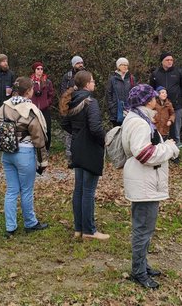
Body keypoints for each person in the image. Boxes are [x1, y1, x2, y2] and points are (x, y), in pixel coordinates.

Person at [121, 84, 180, 289]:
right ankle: (138, 271)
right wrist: (170, 148)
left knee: (145, 227)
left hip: (144, 180)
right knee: (143, 229)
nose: (156, 100)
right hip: (143, 181)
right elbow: (144, 154)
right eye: (154, 97)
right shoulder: (140, 123)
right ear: (148, 101)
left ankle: (142, 265)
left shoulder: (139, 119)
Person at [0, 77, 49, 237]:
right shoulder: (29, 109)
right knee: (26, 190)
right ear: (29, 91)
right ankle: (30, 223)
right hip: (24, 153)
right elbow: (38, 137)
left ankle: (10, 227)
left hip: (7, 154)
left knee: (11, 190)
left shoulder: (3, 107)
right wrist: (42, 160)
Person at [59, 70, 109, 240]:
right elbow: (95, 128)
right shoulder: (90, 101)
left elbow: (65, 122)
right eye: (93, 81)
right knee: (88, 191)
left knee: (79, 190)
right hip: (90, 149)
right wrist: (105, 141)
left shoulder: (72, 100)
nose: (94, 83)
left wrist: (77, 134)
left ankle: (78, 229)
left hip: (77, 148)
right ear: (87, 84)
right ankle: (89, 230)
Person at [148, 52, 182, 147]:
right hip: (159, 107)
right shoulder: (155, 74)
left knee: (175, 128)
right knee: (160, 127)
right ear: (162, 61)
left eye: (171, 60)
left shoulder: (178, 72)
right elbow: (151, 90)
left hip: (176, 105)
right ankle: (159, 147)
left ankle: (175, 148)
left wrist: (179, 97)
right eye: (167, 60)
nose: (170, 61)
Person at [60, 55, 86, 165]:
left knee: (83, 132)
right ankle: (70, 157)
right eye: (78, 63)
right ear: (73, 65)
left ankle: (83, 156)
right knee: (69, 134)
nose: (80, 65)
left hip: (83, 107)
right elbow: (63, 93)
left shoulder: (86, 75)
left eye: (81, 62)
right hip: (70, 108)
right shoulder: (68, 77)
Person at [29, 62, 55, 150]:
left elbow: (51, 95)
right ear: (34, 70)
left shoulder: (47, 82)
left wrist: (47, 103)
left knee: (47, 129)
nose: (40, 71)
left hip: (45, 109)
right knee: (34, 129)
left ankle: (46, 149)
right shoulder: (30, 81)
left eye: (41, 69)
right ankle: (35, 148)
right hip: (33, 109)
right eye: (38, 69)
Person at [106, 57, 135, 126]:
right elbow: (108, 94)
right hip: (116, 111)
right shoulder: (112, 79)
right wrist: (112, 107)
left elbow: (135, 93)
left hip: (129, 111)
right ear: (118, 66)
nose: (125, 67)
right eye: (123, 65)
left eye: (126, 65)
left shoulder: (131, 78)